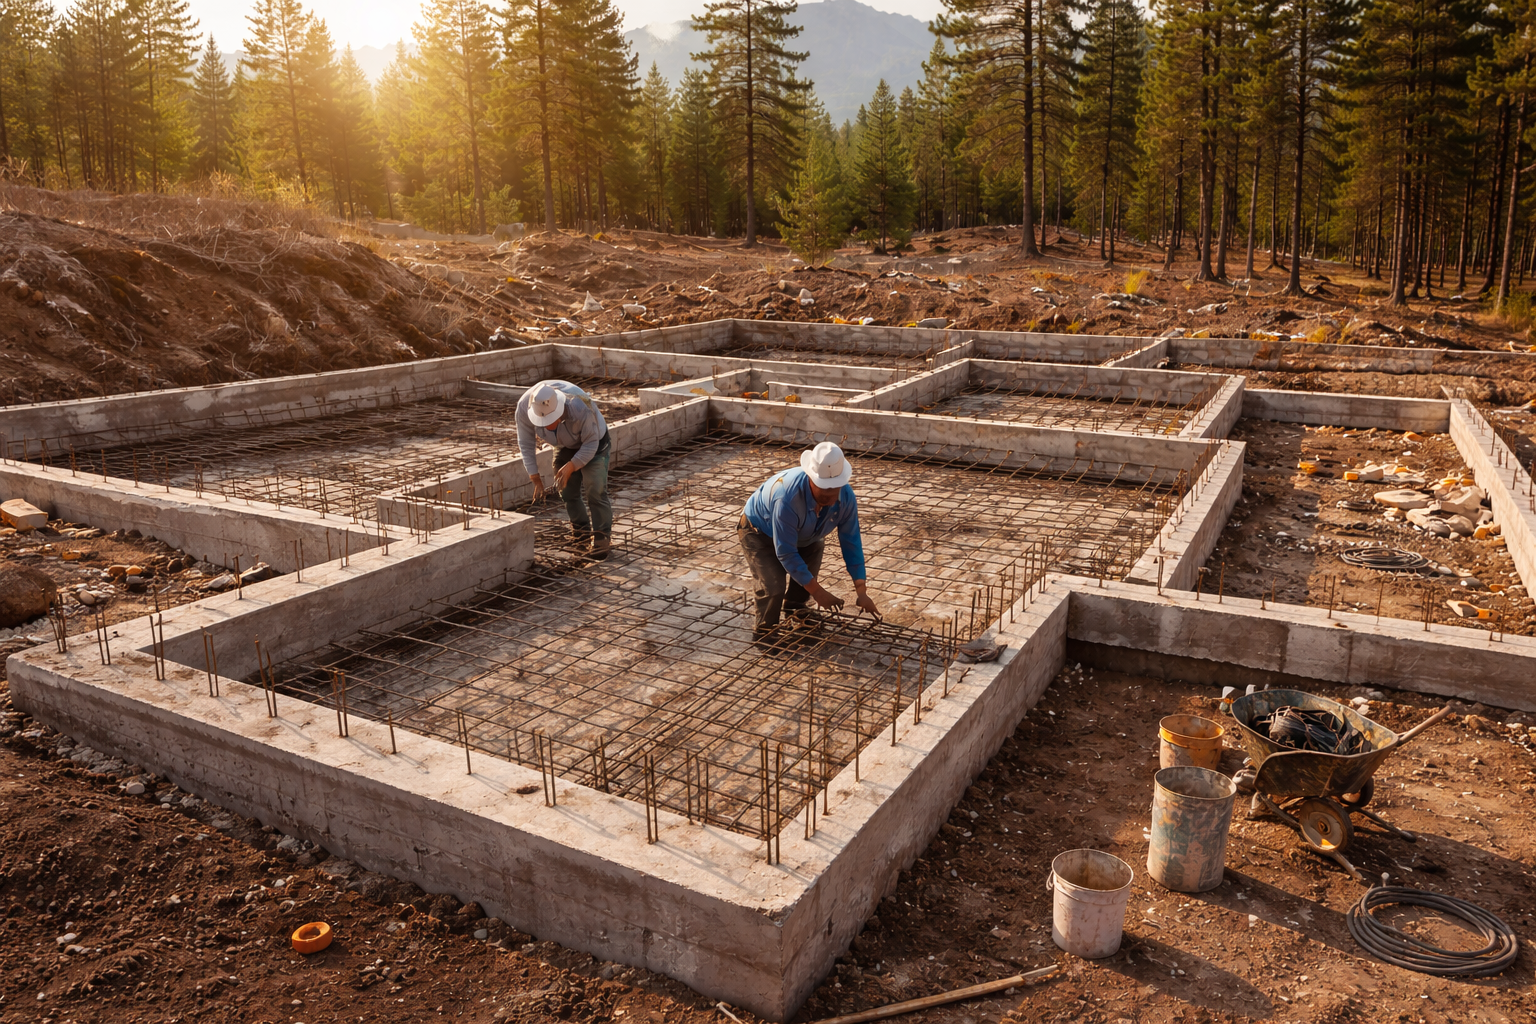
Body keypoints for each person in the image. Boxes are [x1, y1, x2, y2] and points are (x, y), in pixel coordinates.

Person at [739, 441, 880, 646]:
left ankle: (796, 611)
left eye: (834, 490)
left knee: (811, 557)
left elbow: (851, 542)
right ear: (810, 479)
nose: (830, 496)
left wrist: (861, 591)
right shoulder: (787, 497)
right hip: (759, 531)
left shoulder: (846, 497)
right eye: (823, 489)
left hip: (807, 534)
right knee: (773, 587)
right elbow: (786, 552)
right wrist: (819, 592)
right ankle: (764, 636)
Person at [516, 380, 613, 558]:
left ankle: (601, 537)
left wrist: (574, 465)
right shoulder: (524, 407)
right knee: (566, 490)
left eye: (550, 421)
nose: (546, 425)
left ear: (560, 410)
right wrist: (535, 476)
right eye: (542, 422)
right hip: (563, 443)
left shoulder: (580, 406)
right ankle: (581, 531)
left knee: (595, 490)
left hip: (594, 442)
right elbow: (525, 442)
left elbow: (591, 442)